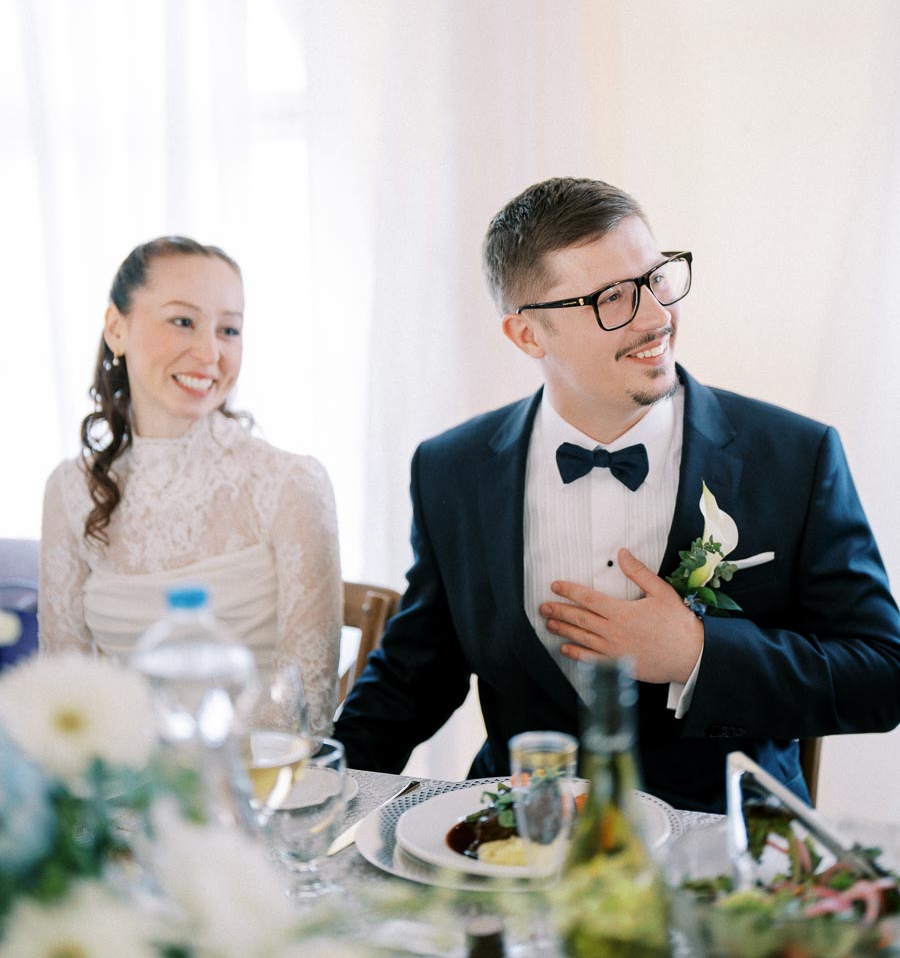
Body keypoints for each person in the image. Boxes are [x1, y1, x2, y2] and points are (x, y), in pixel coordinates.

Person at [335, 177, 900, 811]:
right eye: (611, 299)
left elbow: (880, 675)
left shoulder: (794, 457)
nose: (658, 317)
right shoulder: (451, 469)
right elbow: (416, 676)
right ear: (527, 335)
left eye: (656, 279)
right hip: (519, 839)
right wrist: (315, 788)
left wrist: (697, 653)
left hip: (722, 847)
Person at [39, 237, 342, 731]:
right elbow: (65, 696)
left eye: (229, 329)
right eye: (183, 321)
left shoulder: (291, 484)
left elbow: (303, 715)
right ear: (117, 328)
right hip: (122, 790)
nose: (209, 352)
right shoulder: (70, 490)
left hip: (256, 789)